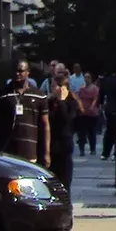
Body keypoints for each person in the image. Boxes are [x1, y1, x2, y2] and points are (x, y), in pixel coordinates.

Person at [45, 68, 76, 197]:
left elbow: (67, 120)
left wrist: (62, 101)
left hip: (64, 147)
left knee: (64, 184)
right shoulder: (49, 102)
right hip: (51, 147)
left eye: (54, 86)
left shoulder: (70, 103)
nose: (52, 88)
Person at [74, 67, 103, 156]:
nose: (86, 79)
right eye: (85, 77)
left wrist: (92, 106)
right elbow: (78, 98)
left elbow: (95, 99)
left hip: (92, 113)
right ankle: (82, 150)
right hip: (83, 112)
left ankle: (92, 149)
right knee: (82, 132)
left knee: (92, 132)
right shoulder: (81, 89)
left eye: (88, 77)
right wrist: (80, 107)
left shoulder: (95, 89)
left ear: (91, 79)